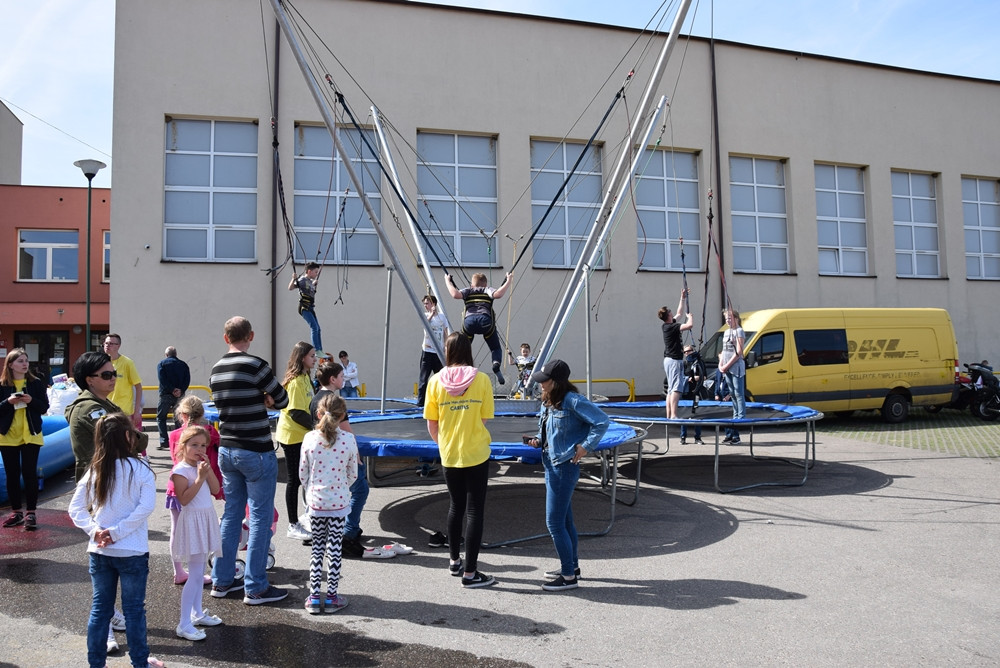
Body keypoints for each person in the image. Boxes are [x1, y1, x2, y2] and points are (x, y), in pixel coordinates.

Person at [67, 412, 164, 668]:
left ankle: (96, 664)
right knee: (134, 611)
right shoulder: (141, 468)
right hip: (131, 551)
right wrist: (117, 532)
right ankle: (140, 663)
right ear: (127, 437)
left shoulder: (96, 468)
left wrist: (95, 531)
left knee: (100, 610)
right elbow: (145, 508)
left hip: (99, 551)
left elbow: (75, 509)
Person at [209, 316, 289, 606]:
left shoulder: (216, 369)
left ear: (225, 337)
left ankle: (222, 579)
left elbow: (221, 404)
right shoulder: (256, 365)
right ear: (250, 336)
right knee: (259, 517)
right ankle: (256, 587)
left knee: (231, 515)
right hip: (255, 448)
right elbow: (283, 399)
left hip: (227, 449)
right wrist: (266, 399)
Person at [525, 359, 609, 592]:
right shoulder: (550, 402)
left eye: (545, 381)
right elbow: (549, 433)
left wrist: (585, 447)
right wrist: (538, 441)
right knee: (565, 520)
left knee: (554, 522)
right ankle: (572, 567)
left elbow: (602, 421)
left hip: (563, 467)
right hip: (552, 464)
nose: (541, 385)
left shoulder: (573, 401)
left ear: (557, 382)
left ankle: (568, 576)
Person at [423, 332, 497, 588]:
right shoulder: (483, 380)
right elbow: (484, 418)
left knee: (456, 506)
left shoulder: (435, 382)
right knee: (475, 510)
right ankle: (471, 573)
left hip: (450, 453)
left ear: (447, 351)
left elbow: (432, 424)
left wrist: (444, 444)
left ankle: (454, 560)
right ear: (468, 350)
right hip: (476, 451)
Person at [299, 394, 357, 614]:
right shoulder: (349, 440)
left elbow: (302, 473)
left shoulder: (309, 439)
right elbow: (352, 474)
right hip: (339, 502)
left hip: (316, 501)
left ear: (318, 413)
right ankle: (332, 597)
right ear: (343, 416)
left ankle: (314, 597)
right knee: (334, 549)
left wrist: (310, 490)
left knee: (317, 549)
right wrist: (342, 488)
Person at [169, 425, 223, 641]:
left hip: (205, 518)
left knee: (199, 573)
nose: (199, 449)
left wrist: (207, 471)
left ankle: (197, 613)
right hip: (192, 522)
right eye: (194, 445)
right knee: (196, 574)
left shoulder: (201, 467)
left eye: (203, 445)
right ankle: (183, 623)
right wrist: (199, 478)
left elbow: (216, 489)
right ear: (183, 446)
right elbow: (183, 499)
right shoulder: (180, 471)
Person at [310, 362, 368, 559]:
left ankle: (339, 529)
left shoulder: (316, 399)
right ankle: (348, 530)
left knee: (331, 495)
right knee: (359, 488)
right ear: (332, 379)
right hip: (340, 457)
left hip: (323, 457)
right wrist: (357, 457)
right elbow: (345, 430)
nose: (344, 379)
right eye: (342, 376)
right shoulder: (334, 402)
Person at [167, 395, 223, 585]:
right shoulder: (209, 433)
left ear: (182, 415)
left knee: (177, 530)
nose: (200, 448)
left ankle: (179, 570)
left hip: (175, 488)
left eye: (202, 446)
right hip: (196, 486)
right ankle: (195, 570)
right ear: (202, 414)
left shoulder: (175, 434)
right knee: (197, 530)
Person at [0, 348, 50, 530]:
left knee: (29, 473)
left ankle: (31, 513)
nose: (25, 364)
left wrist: (31, 401)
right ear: (11, 364)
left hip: (31, 435)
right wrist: (8, 402)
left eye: (26, 360)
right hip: (7, 436)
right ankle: (16, 512)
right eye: (20, 361)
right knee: (12, 475)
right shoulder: (2, 385)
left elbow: (44, 407)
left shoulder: (36, 383)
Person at [276, 341, 317, 541]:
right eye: (312, 356)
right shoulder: (295, 382)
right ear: (302, 358)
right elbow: (296, 413)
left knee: (305, 479)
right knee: (294, 480)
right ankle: (293, 524)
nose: (315, 359)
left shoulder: (305, 378)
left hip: (302, 436)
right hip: (292, 437)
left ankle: (305, 517)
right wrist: (319, 428)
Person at [446, 271, 513, 385]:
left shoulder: (468, 290)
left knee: (464, 348)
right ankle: (496, 364)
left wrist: (447, 281)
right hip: (485, 322)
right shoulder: (487, 290)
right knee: (495, 348)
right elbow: (498, 294)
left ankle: (459, 367)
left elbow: (455, 294)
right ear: (485, 285)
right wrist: (509, 280)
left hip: (469, 323)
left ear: (472, 285)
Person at [657, 289, 694, 419]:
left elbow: (679, 312)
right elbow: (689, 326)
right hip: (674, 360)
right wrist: (690, 317)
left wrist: (682, 298)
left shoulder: (667, 325)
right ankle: (673, 415)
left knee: (671, 389)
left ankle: (669, 415)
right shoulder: (671, 327)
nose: (673, 313)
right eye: (670, 312)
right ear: (668, 315)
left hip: (668, 360)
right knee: (677, 388)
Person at [104, 333, 144, 429]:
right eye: (106, 343)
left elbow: (138, 387)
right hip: (106, 410)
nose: (107, 345)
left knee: (123, 441)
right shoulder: (101, 362)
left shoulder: (127, 363)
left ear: (118, 346)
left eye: (111, 343)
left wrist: (137, 411)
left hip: (123, 411)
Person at [719, 308, 746, 445]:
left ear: (736, 318)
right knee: (732, 395)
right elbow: (724, 350)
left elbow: (739, 352)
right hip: (727, 367)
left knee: (738, 393)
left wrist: (726, 365)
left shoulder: (739, 331)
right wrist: (721, 364)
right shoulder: (726, 332)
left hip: (736, 367)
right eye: (726, 319)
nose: (728, 321)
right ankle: (733, 425)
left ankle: (739, 422)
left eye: (730, 318)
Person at [417, 294, 449, 408]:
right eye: (424, 303)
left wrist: (446, 346)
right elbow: (425, 325)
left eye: (427, 303)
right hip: (427, 351)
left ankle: (443, 399)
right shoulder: (426, 315)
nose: (425, 305)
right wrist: (431, 314)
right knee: (423, 379)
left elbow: (445, 332)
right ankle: (420, 403)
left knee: (441, 377)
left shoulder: (441, 317)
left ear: (433, 304)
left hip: (438, 352)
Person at [156, 346, 190, 450]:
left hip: (166, 394)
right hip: (180, 395)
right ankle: (178, 441)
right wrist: (180, 390)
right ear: (176, 354)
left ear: (166, 355)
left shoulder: (161, 364)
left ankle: (164, 441)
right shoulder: (183, 365)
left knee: (161, 417)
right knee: (178, 418)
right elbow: (187, 379)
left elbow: (162, 379)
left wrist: (172, 390)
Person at [289, 261, 325, 356]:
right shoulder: (302, 280)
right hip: (304, 307)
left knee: (318, 328)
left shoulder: (309, 281)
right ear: (309, 271)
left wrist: (313, 284)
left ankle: (320, 350)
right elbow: (290, 288)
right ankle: (317, 350)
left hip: (310, 307)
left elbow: (309, 290)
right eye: (315, 272)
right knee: (314, 327)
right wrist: (293, 279)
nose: (316, 274)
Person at [679, 345, 704, 445]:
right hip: (686, 393)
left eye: (688, 351)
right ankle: (683, 436)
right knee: (684, 415)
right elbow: (680, 376)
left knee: (697, 414)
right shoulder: (685, 364)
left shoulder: (699, 363)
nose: (686, 354)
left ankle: (698, 437)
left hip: (696, 392)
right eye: (684, 352)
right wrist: (687, 379)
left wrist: (696, 378)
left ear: (693, 351)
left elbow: (703, 376)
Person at [713, 368, 738, 443]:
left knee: (733, 417)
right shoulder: (718, 370)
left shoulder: (732, 370)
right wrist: (716, 394)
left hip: (729, 397)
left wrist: (729, 395)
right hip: (721, 396)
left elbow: (735, 385)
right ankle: (728, 435)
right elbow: (716, 382)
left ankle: (736, 436)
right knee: (725, 417)